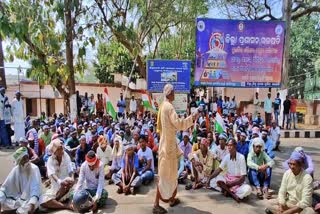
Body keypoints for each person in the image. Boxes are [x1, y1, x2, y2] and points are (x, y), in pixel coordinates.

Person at [153, 84, 197, 214]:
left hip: (168, 144)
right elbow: (179, 125)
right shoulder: (169, 107)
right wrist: (192, 118)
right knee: (164, 177)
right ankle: (156, 204)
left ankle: (171, 199)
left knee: (171, 175)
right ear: (171, 93)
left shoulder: (163, 106)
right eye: (174, 92)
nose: (175, 94)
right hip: (168, 148)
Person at [0, 147, 41, 213]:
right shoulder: (16, 169)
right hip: (19, 199)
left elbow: (35, 188)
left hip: (31, 199)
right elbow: (5, 187)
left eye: (27, 157)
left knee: (24, 209)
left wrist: (32, 203)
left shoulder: (34, 168)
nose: (27, 160)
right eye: (24, 159)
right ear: (19, 161)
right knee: (3, 202)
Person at [40, 139, 74, 210]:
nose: (61, 150)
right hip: (56, 186)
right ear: (54, 151)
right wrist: (60, 182)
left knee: (69, 187)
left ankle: (56, 202)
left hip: (67, 185)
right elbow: (52, 174)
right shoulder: (50, 160)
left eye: (61, 148)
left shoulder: (65, 155)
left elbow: (70, 168)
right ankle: (65, 206)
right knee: (42, 202)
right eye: (58, 149)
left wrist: (72, 178)